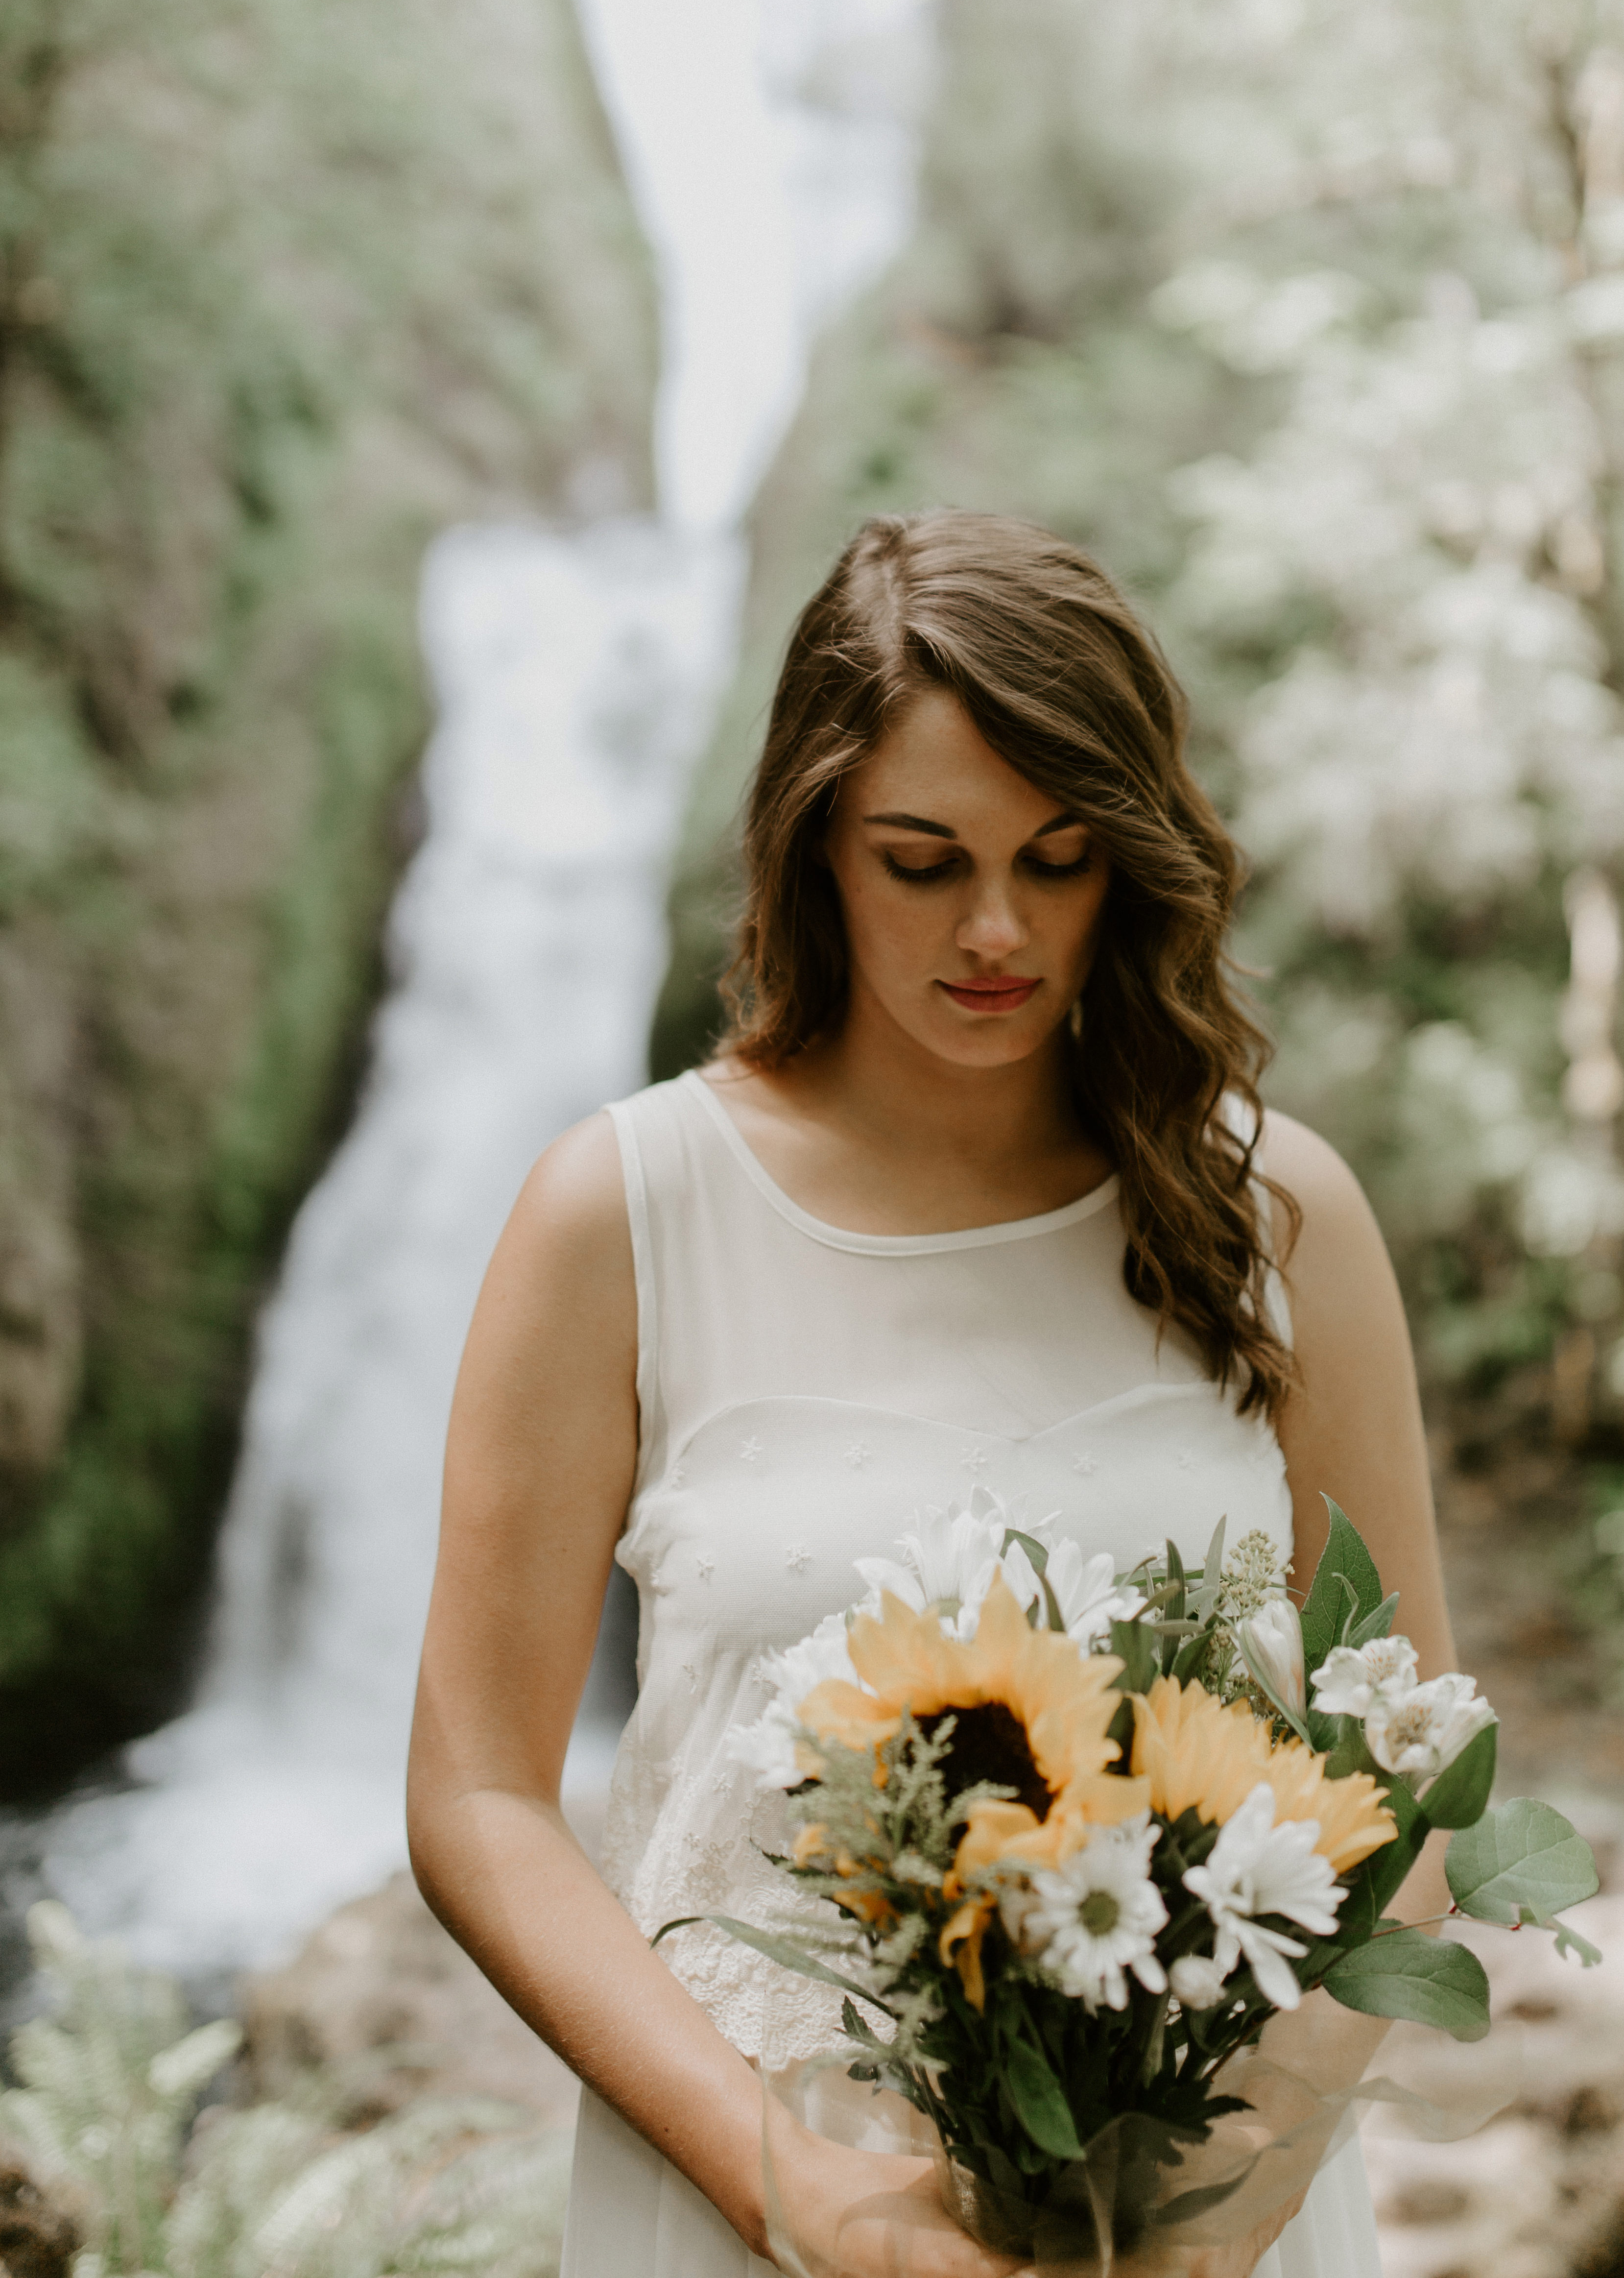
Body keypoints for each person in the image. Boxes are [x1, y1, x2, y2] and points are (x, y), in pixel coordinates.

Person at [408, 511, 1457, 2277]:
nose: (997, 927)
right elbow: (478, 1799)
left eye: (1059, 859)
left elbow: (1415, 1774)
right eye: (922, 859)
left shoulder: (1279, 1219)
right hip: (760, 2206)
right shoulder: (623, 1213)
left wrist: (1240, 2180)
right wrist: (782, 2181)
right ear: (813, 841)